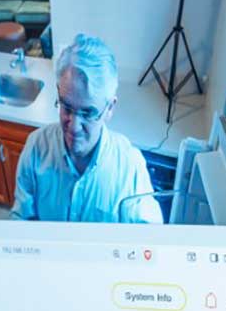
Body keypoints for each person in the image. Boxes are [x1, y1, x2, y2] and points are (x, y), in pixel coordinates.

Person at [11, 34, 163, 224]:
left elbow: (146, 239)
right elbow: (21, 219)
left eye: (88, 113)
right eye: (66, 107)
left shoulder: (130, 167)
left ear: (110, 108)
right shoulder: (36, 148)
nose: (74, 127)